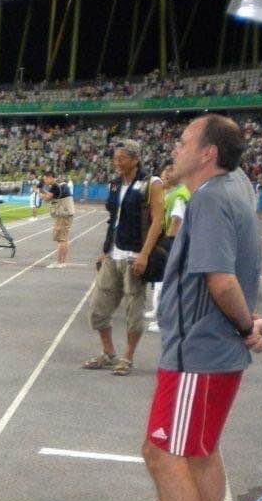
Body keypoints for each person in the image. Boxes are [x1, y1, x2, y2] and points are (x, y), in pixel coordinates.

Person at [129, 115, 262, 501]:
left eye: (185, 141)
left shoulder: (212, 198)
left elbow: (220, 280)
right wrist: (247, 324)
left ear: (208, 154)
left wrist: (243, 325)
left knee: (162, 452)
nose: (176, 147)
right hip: (213, 351)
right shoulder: (237, 184)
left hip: (199, 353)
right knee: (200, 450)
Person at [83, 139, 164, 377]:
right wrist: (105, 250)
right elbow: (113, 220)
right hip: (114, 253)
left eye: (122, 158)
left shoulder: (152, 183)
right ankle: (109, 354)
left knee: (133, 310)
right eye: (115, 158)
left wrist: (144, 255)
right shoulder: (116, 184)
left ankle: (127, 357)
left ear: (135, 158)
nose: (117, 162)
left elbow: (157, 221)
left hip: (134, 255)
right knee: (98, 308)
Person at [147, 164, 190, 332]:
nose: (163, 176)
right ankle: (158, 313)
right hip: (174, 242)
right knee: (162, 283)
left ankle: (163, 321)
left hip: (173, 243)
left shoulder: (179, 196)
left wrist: (166, 244)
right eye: (163, 173)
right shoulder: (173, 193)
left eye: (166, 174)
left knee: (164, 285)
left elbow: (176, 221)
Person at [41, 169, 75, 268]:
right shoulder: (60, 185)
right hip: (64, 214)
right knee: (62, 238)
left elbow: (47, 198)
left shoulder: (56, 185)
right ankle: (61, 262)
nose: (45, 182)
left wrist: (39, 193)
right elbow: (52, 196)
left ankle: (61, 262)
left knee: (62, 238)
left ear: (50, 177)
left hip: (63, 215)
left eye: (45, 179)